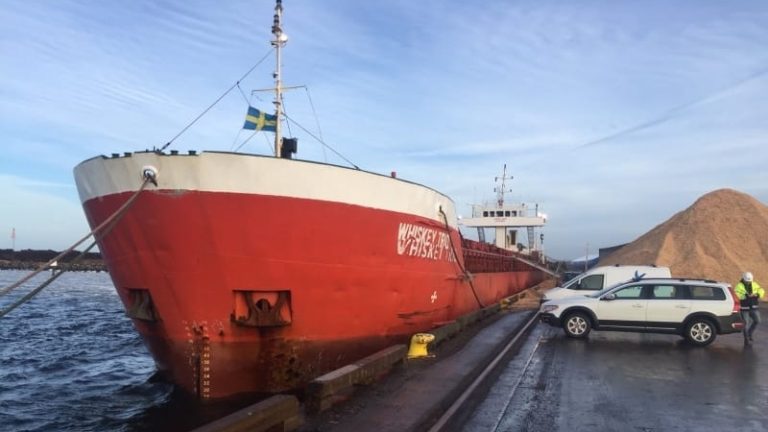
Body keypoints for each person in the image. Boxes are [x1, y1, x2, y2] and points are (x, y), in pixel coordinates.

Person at [734, 272, 765, 345]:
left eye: (749, 281)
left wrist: (757, 294)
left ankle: (749, 333)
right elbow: (736, 294)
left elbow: (761, 290)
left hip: (754, 307)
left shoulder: (754, 284)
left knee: (757, 321)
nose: (748, 282)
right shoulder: (739, 286)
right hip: (744, 308)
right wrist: (745, 296)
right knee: (746, 324)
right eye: (747, 281)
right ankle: (746, 338)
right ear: (743, 279)